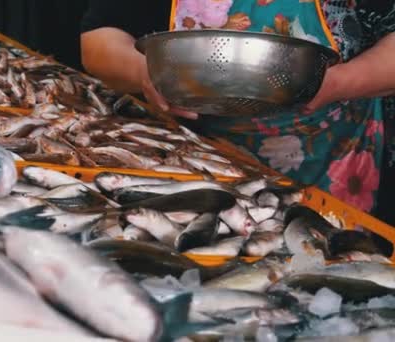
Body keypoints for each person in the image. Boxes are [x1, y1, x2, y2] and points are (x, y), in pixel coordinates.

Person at [80, 0, 395, 223]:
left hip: (333, 160)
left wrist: (340, 82)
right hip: (187, 163)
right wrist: (147, 73)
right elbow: (99, 39)